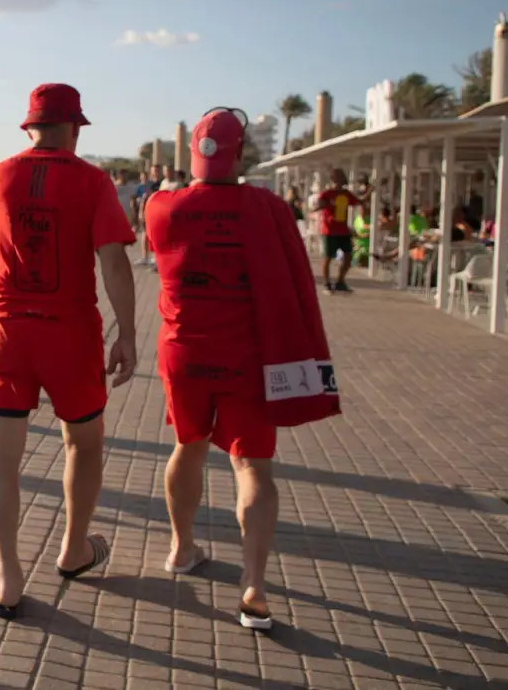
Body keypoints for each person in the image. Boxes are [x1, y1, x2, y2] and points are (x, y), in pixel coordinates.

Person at [146, 108, 338, 633]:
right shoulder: (269, 208)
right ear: (241, 153)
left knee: (187, 446)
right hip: (250, 359)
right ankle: (253, 584)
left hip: (183, 353)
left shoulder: (161, 207)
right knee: (253, 468)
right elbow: (294, 279)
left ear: (194, 154)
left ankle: (182, 548)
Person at [0, 82, 137, 620]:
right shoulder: (92, 180)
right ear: (75, 128)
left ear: (28, 126)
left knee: (0, 458)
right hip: (70, 332)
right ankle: (74, 549)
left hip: (3, 331)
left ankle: (6, 578)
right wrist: (127, 332)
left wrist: (1, 301)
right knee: (82, 445)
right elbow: (113, 263)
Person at [314, 168, 369, 293]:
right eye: (338, 177)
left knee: (348, 257)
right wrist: (324, 205)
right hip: (329, 230)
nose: (341, 179)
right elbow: (318, 205)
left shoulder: (346, 194)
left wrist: (370, 191)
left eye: (342, 177)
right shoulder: (326, 194)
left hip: (343, 230)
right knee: (328, 257)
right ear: (333, 179)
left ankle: (340, 281)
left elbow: (360, 201)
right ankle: (327, 283)